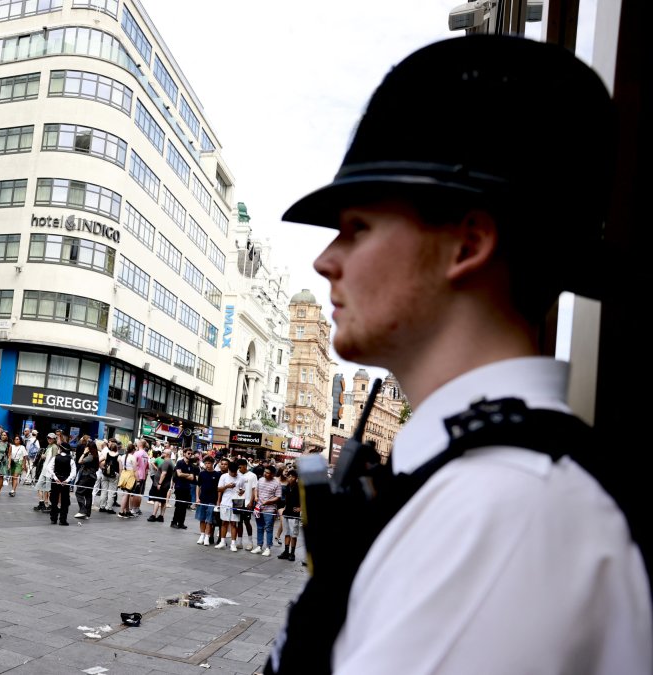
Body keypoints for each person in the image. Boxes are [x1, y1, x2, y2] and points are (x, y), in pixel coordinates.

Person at [267, 36, 651, 674]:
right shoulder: (474, 488)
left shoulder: (498, 513)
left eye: (358, 227)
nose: (325, 259)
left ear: (466, 244)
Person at [251, 464, 280, 556]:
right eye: (265, 472)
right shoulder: (260, 480)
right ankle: (259, 546)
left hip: (269, 509)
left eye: (267, 473)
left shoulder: (276, 483)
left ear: (272, 474)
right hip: (258, 507)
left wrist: (268, 501)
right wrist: (256, 497)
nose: (265, 474)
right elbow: (256, 489)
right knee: (259, 527)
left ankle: (268, 547)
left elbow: (278, 497)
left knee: (268, 528)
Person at [48, 434, 77, 526]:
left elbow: (49, 468)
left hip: (56, 481)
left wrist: (55, 478)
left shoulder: (55, 458)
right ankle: (63, 520)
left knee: (54, 500)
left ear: (61, 449)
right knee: (65, 501)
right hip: (65, 482)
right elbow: (73, 473)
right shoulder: (71, 460)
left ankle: (53, 518)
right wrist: (67, 480)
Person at [193, 455, 220, 544]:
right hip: (202, 499)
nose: (207, 465)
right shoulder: (202, 473)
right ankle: (202, 535)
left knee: (209, 519)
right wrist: (197, 498)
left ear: (212, 463)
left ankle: (207, 537)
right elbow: (198, 486)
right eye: (206, 463)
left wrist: (217, 501)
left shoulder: (217, 474)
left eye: (209, 463)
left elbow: (218, 489)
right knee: (202, 518)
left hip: (212, 499)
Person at [168, 448, 197, 530]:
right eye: (188, 453)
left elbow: (192, 478)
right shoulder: (180, 462)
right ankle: (174, 522)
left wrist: (185, 475)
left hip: (187, 487)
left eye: (191, 453)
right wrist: (188, 475)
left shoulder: (191, 465)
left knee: (184, 506)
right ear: (184, 453)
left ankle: (181, 523)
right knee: (179, 505)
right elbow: (179, 474)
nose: (190, 455)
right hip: (179, 487)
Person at [277, 469, 300, 562]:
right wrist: (283, 508)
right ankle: (286, 552)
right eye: (289, 476)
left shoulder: (299, 488)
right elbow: (285, 499)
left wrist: (300, 508)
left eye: (292, 477)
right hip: (287, 512)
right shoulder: (286, 487)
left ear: (296, 478)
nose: (290, 478)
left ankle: (292, 553)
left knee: (293, 534)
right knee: (287, 533)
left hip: (295, 514)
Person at [72, 436, 98, 519]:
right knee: (88, 495)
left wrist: (83, 453)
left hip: (86, 476)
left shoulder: (90, 456)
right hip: (92, 477)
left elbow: (80, 461)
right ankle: (87, 513)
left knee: (79, 492)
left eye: (87, 446)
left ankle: (83, 511)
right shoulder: (95, 455)